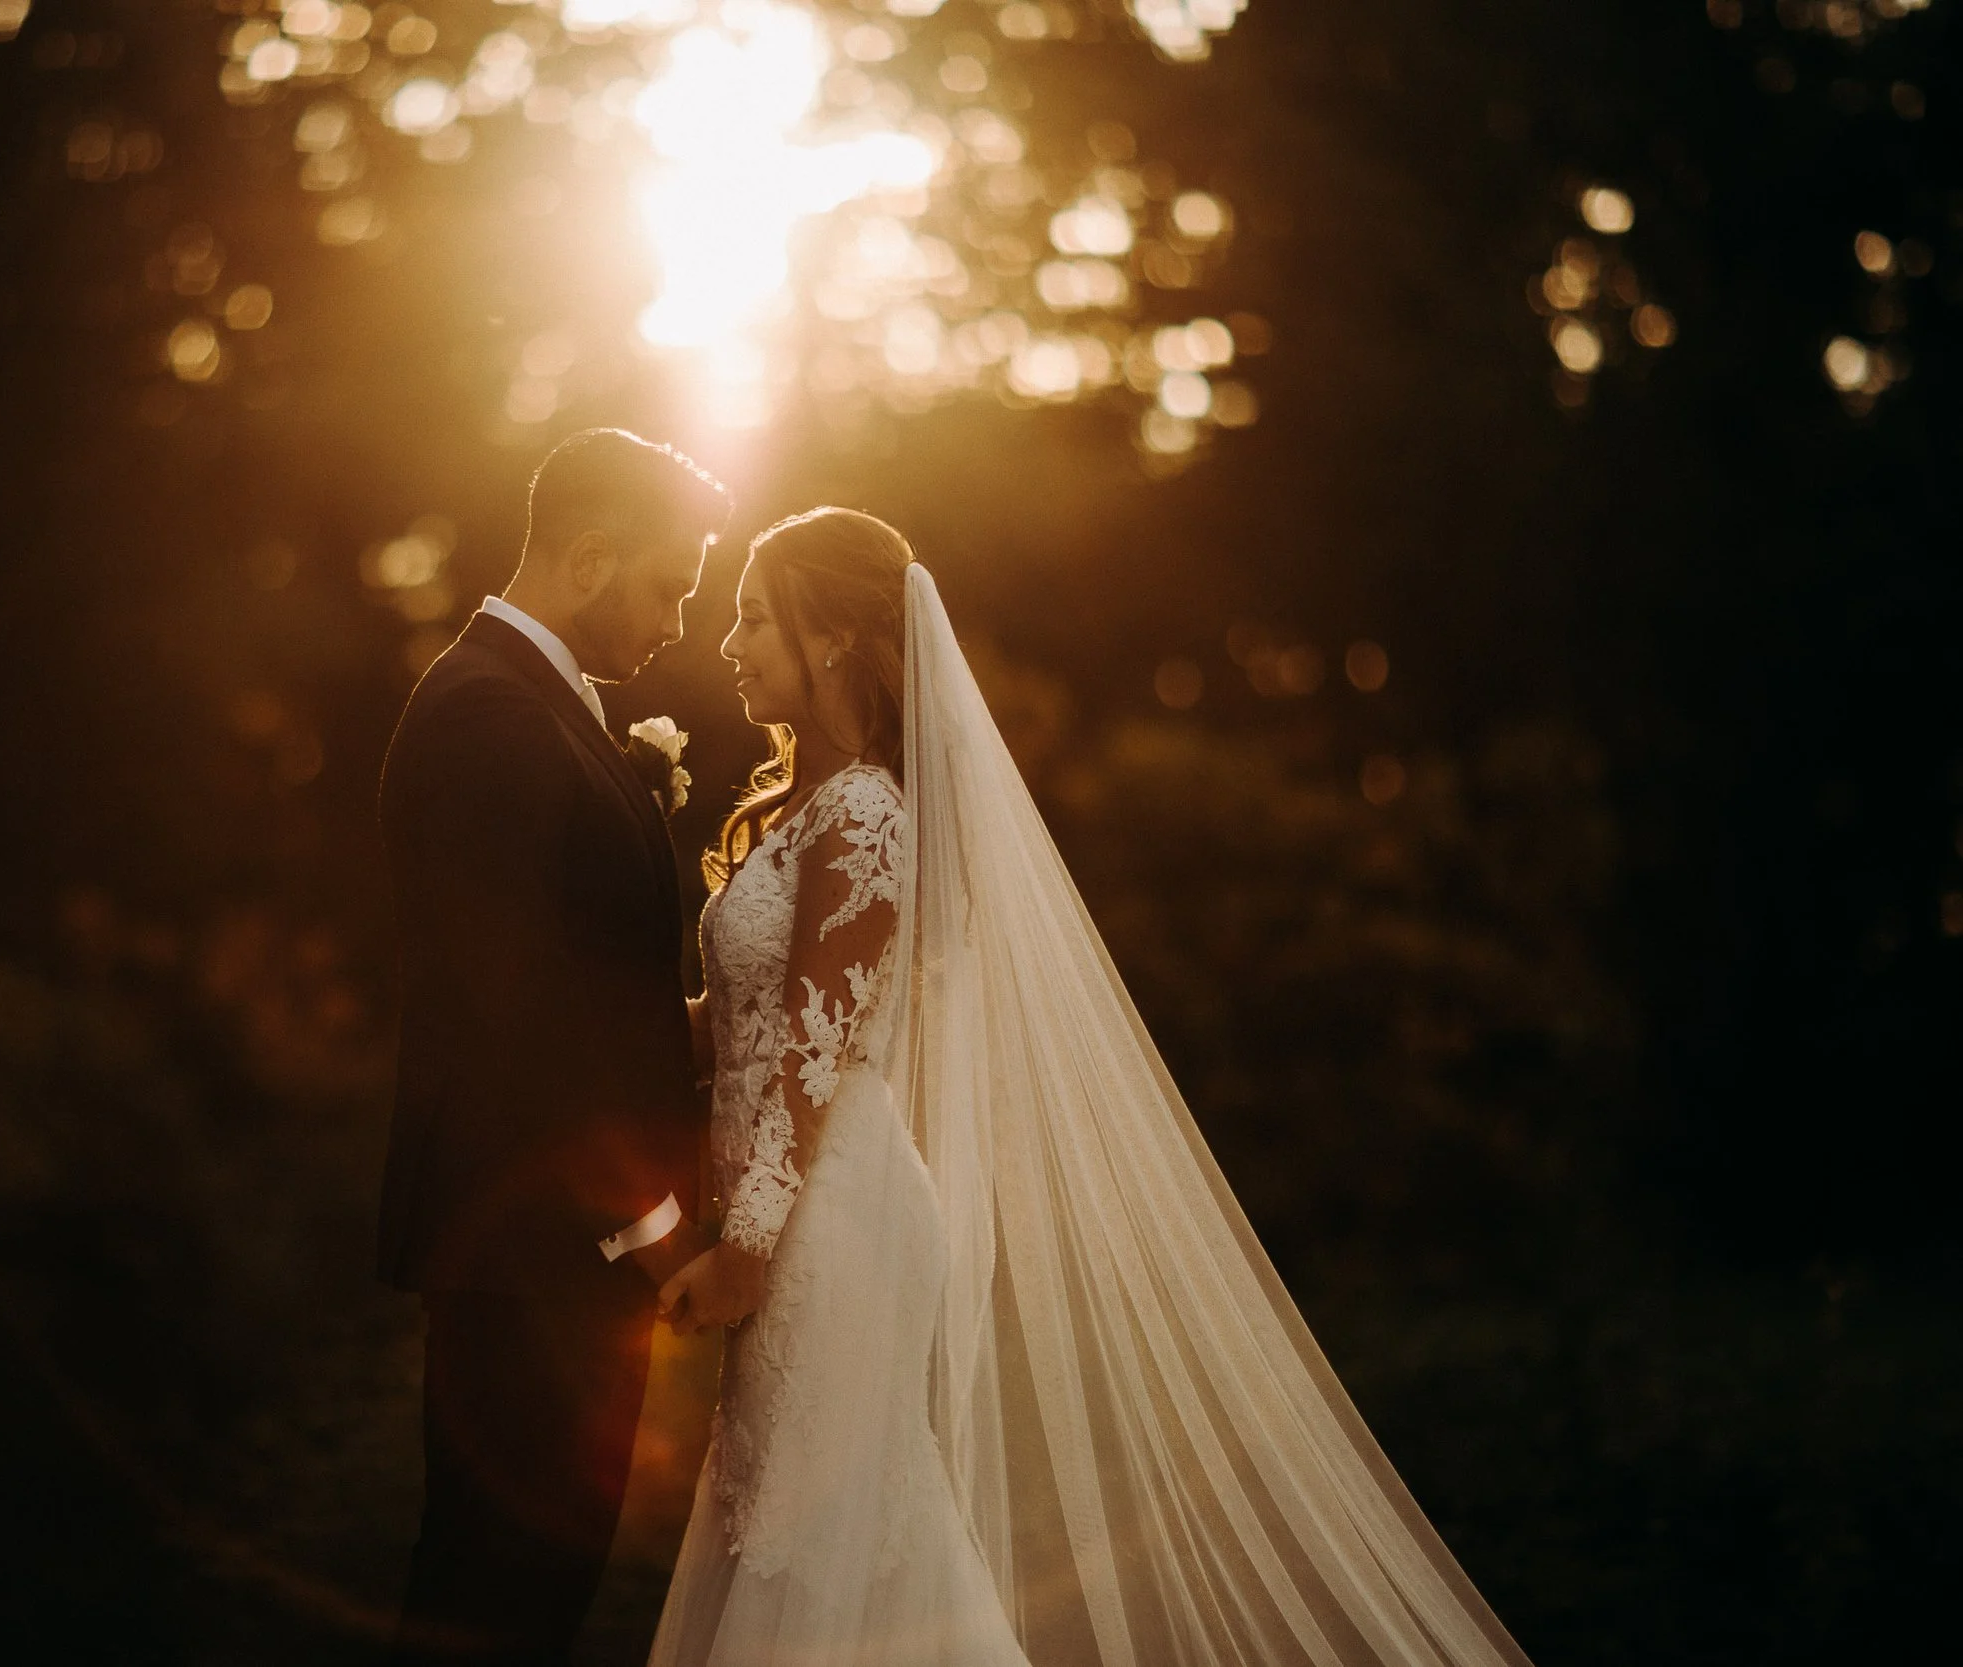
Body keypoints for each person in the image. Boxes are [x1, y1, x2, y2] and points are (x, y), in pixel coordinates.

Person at [649, 508, 1535, 1667]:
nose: (727, 643)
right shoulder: (798, 813)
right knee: (798, 1526)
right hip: (801, 1206)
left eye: (752, 617)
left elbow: (815, 1052)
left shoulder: (865, 810)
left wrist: (748, 1250)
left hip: (832, 1225)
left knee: (818, 1541)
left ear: (829, 638)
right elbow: (745, 1031)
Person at [376, 428, 729, 1666]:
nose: (680, 618)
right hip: (528, 1242)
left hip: (552, 1247)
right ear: (588, 558)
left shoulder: (537, 709)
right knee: (494, 1601)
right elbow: (510, 1023)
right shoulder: (489, 721)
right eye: (668, 584)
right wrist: (646, 1223)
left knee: (523, 1595)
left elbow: (585, 994)